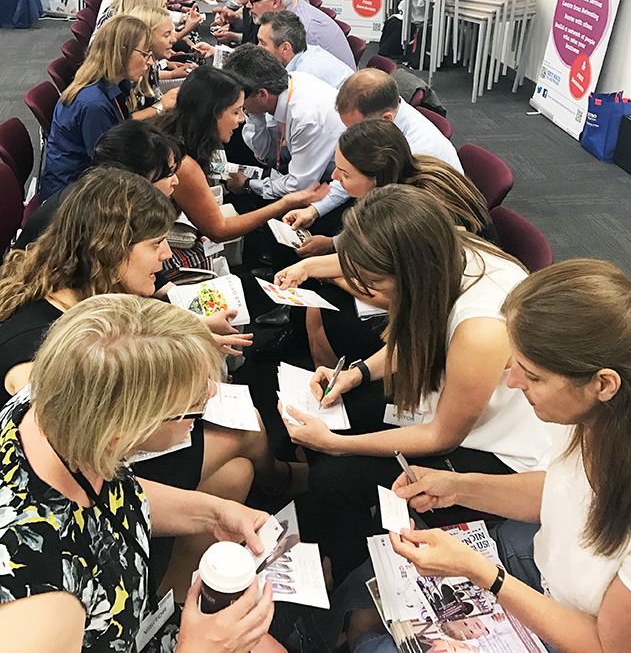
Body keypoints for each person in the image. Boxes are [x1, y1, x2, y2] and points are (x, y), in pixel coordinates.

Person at [0, 169, 297, 592]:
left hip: (95, 467)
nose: (165, 257)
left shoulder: (75, 296)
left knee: (235, 476)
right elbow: (93, 462)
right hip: (92, 473)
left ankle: (171, 596)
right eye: (156, 244)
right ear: (111, 248)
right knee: (243, 430)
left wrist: (184, 339)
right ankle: (284, 481)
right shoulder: (33, 360)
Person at [276, 185, 551, 583]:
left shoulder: (480, 329)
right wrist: (358, 373)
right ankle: (326, 518)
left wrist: (336, 447)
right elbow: (422, 334)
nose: (366, 294)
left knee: (337, 476)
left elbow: (442, 437)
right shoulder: (442, 250)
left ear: (409, 277)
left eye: (373, 285)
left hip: (503, 452)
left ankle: (346, 574)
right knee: (348, 410)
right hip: (451, 399)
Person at [388, 259, 631, 653]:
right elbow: (563, 491)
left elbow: (609, 646)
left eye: (532, 376)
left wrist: (482, 574)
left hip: (585, 635)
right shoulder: (594, 413)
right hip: (546, 574)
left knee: (384, 642)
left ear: (603, 383)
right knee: (371, 603)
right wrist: (458, 487)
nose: (513, 381)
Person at [0, 293, 285, 652]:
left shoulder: (49, 400)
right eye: (193, 409)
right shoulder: (41, 604)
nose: (209, 398)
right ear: (123, 434)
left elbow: (110, 497)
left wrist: (213, 512)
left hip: (137, 617)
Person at [281, 121, 497, 367]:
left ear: (376, 178)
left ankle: (340, 390)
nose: (334, 177)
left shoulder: (415, 215)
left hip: (446, 309)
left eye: (345, 173)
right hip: (438, 281)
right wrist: (310, 267)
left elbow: (404, 295)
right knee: (317, 298)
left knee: (326, 309)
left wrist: (330, 277)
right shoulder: (409, 175)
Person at [155, 65, 326, 241]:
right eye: (236, 111)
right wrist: (285, 203)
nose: (241, 119)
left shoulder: (171, 131)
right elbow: (219, 230)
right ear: (211, 114)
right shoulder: (183, 163)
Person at [287, 68, 463, 231]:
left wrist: (334, 244)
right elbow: (351, 174)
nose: (352, 135)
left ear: (386, 118)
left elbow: (395, 225)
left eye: (355, 127)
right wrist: (314, 210)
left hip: (431, 225)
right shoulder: (387, 118)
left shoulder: (414, 152)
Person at [15, 120, 184, 249]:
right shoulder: (96, 221)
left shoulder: (110, 198)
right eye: (167, 174)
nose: (175, 181)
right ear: (136, 179)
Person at [40, 15, 153, 199]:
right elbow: (107, 168)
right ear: (121, 52)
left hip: (86, 182)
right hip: (71, 198)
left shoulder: (113, 85)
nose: (149, 62)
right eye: (145, 54)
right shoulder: (94, 104)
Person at [222, 44, 345, 200]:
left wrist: (248, 184)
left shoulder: (306, 117)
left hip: (333, 185)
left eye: (239, 101)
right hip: (303, 166)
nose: (240, 110)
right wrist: (254, 115)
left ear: (262, 94)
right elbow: (265, 155)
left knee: (240, 202)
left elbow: (299, 186)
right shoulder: (287, 83)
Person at [247, 0, 356, 70]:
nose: (248, 5)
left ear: (275, 2)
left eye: (252, 1)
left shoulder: (304, 30)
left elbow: (296, 77)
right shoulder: (294, 8)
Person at [258, 10, 354, 89]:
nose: (258, 47)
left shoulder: (306, 76)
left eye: (263, 43)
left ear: (285, 48)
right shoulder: (304, 52)